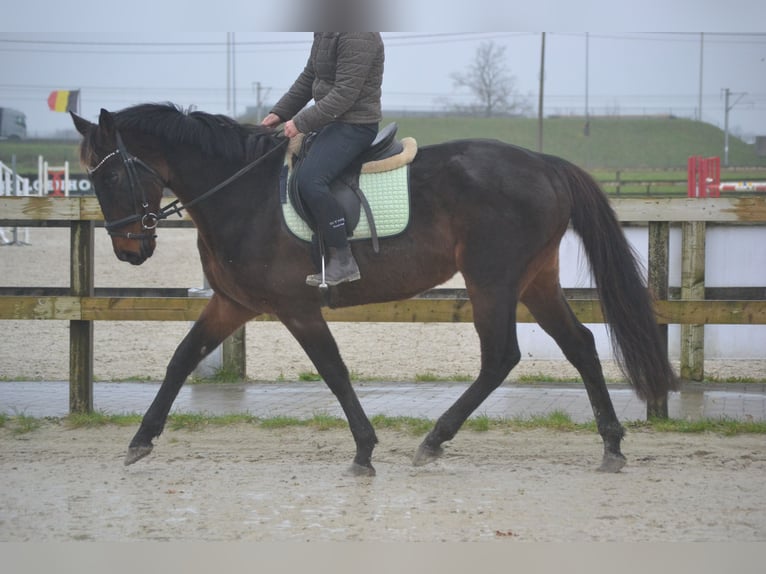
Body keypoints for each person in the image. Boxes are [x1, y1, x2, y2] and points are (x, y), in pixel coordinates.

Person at [262, 32, 384, 287]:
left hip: (355, 125)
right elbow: (310, 78)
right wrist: (279, 112)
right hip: (331, 122)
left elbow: (345, 93)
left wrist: (301, 121)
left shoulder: (359, 34)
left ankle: (343, 259)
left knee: (310, 180)